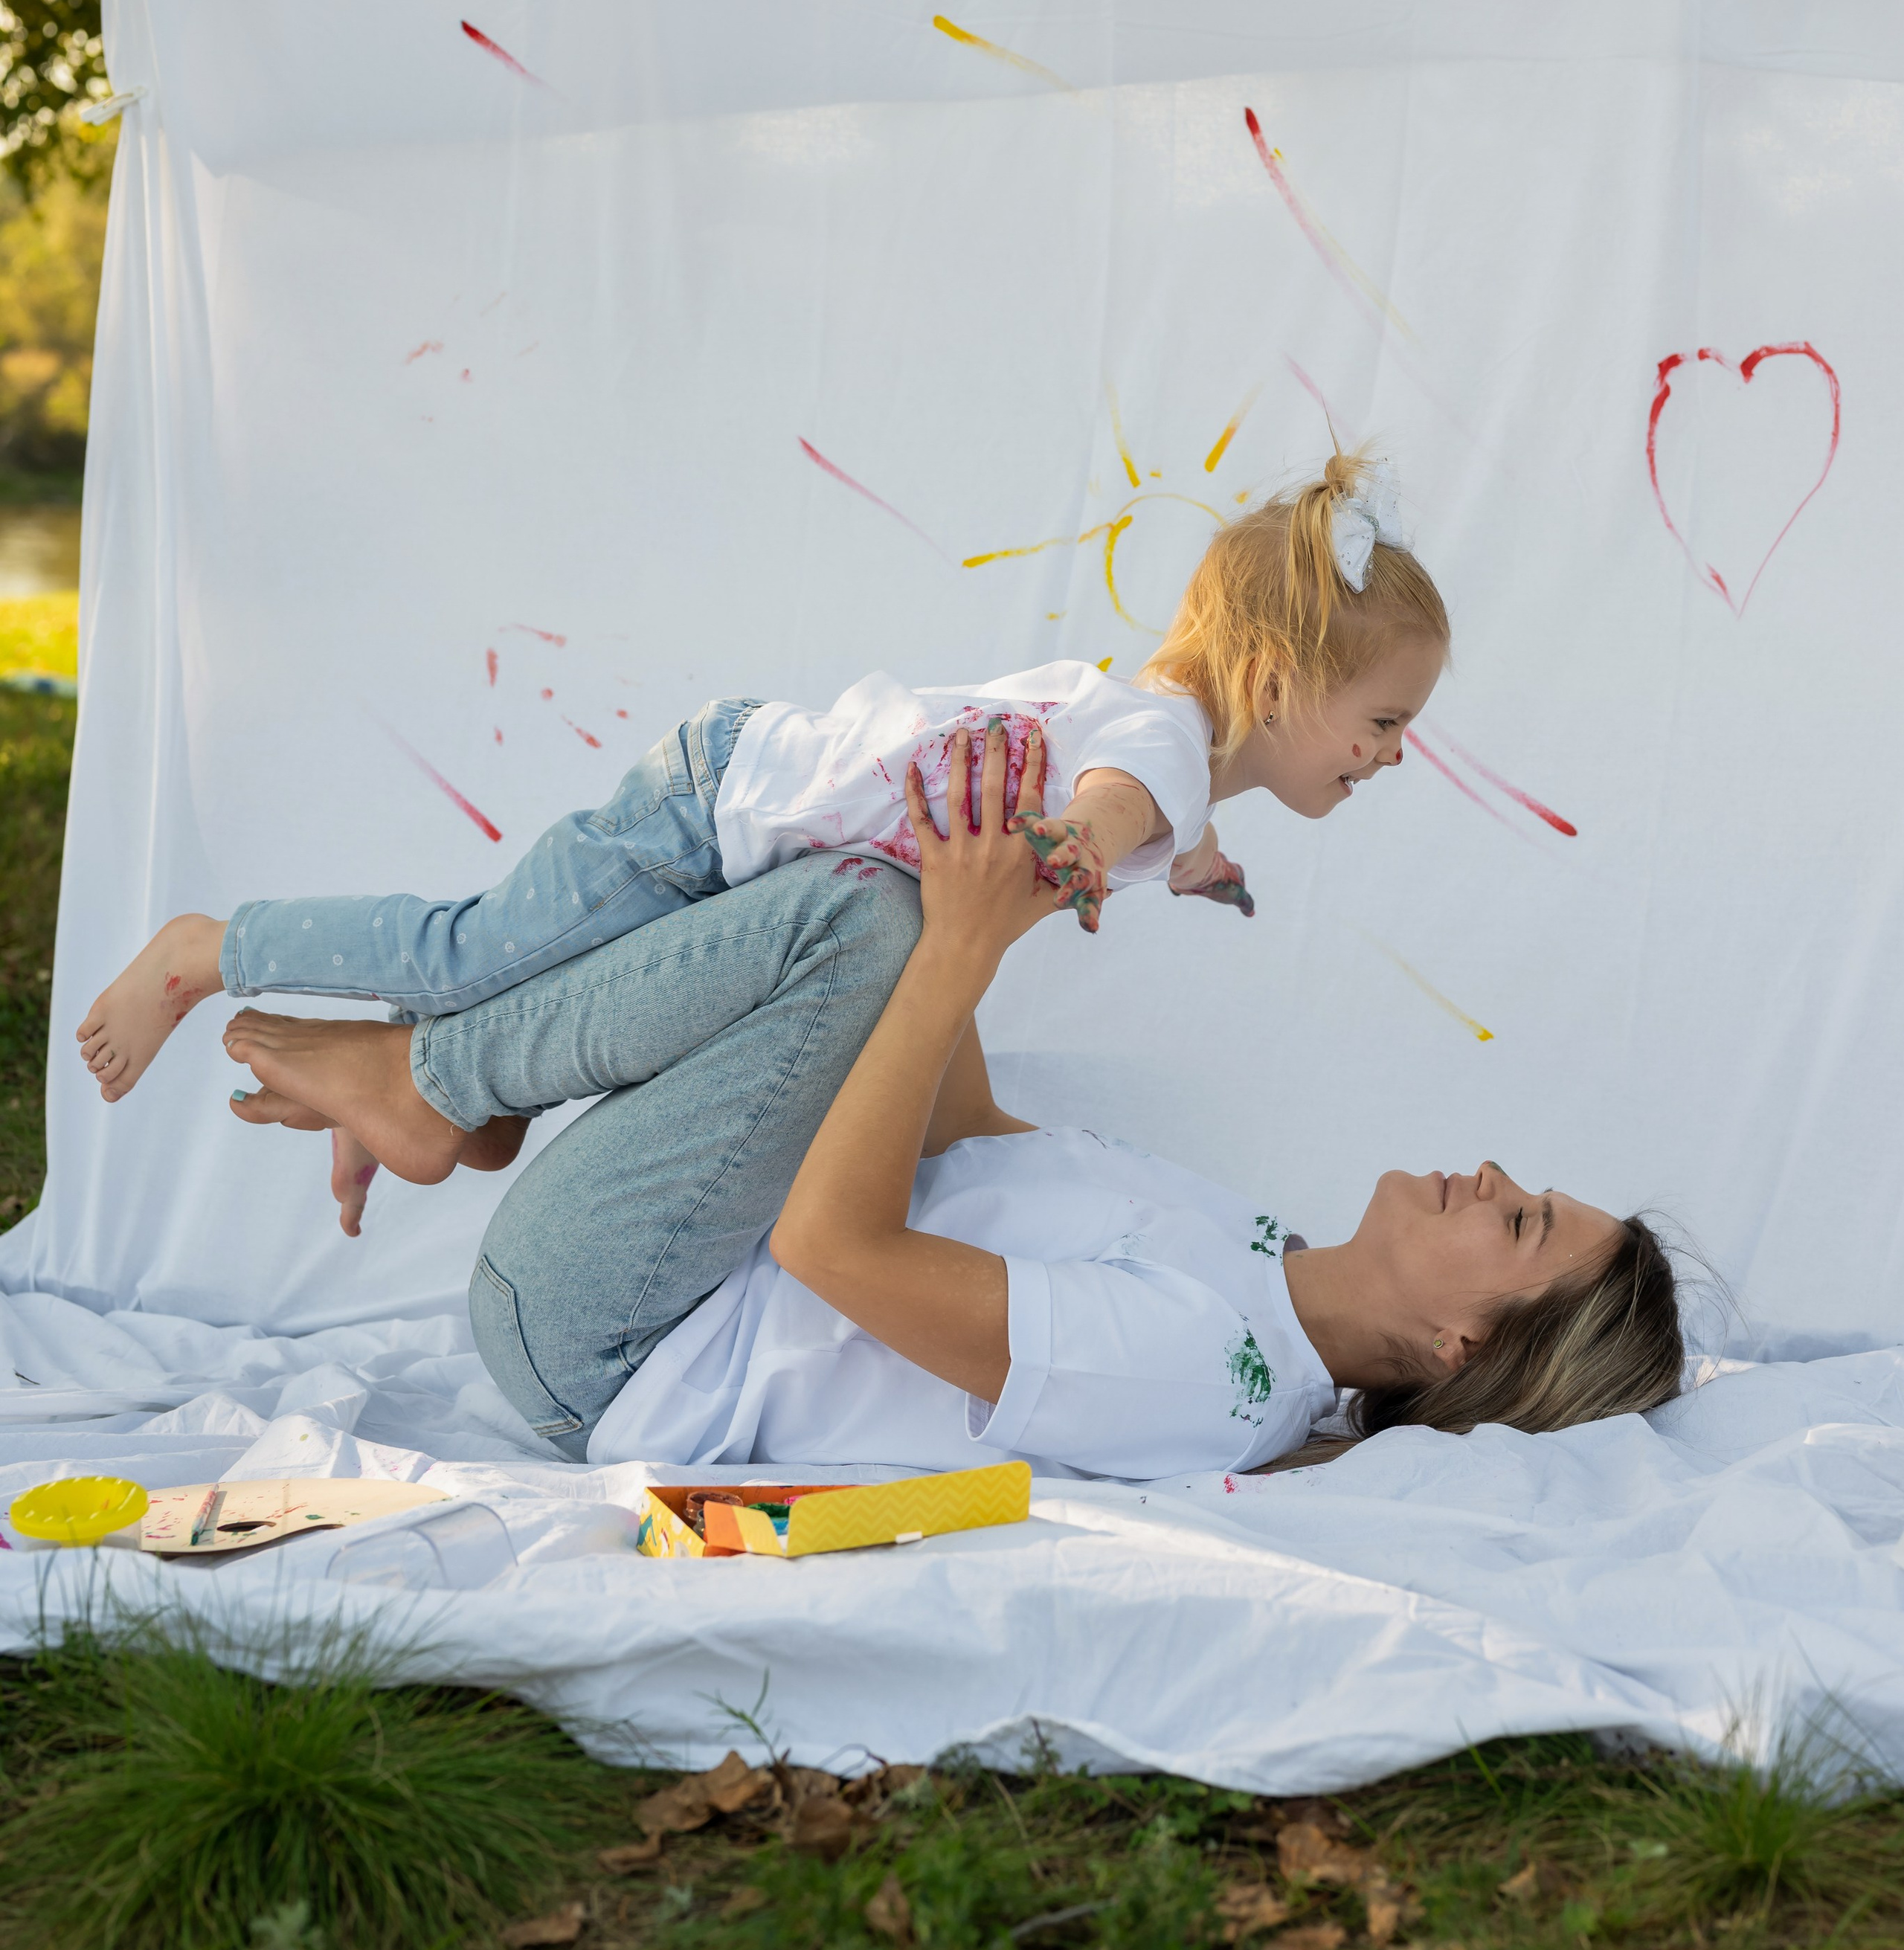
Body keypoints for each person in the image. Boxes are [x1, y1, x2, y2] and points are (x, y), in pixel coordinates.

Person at [219, 722, 1684, 1476]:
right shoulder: (1246, 1253)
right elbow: (962, 1136)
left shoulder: (1198, 1373)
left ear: (1455, 1344)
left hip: (620, 1345)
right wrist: (971, 892)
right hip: (677, 1266)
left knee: (860, 928)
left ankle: (429, 1081)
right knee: (869, 881)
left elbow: (834, 1252)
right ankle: (447, 1093)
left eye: (1517, 1220)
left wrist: (951, 940)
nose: (1489, 1172)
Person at [78, 445, 1451, 1228]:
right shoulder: (1153, 753)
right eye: (1384, 721)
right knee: (469, 953)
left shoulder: (1164, 746)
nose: (1395, 755)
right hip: (714, 805)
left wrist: (1201, 872)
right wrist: (1082, 853)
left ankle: (404, 1099)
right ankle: (209, 948)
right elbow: (1100, 818)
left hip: (740, 836)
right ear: (1273, 687)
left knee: (565, 1000)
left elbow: (1159, 828)